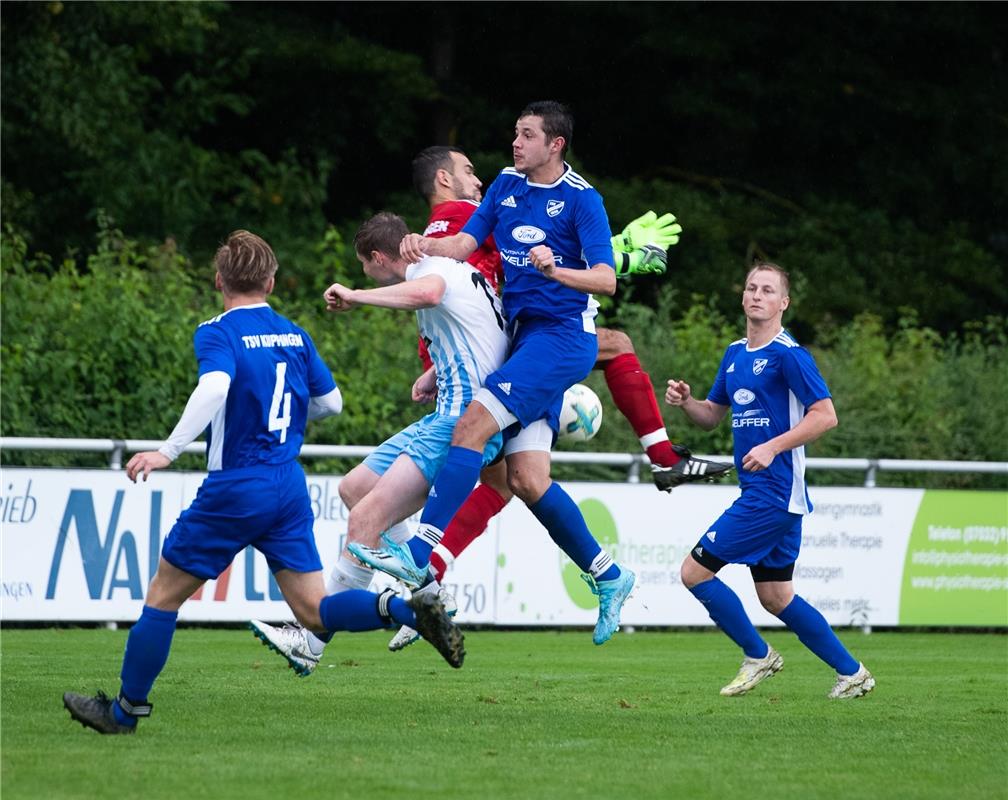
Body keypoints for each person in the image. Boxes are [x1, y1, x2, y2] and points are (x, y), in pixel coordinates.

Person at [62, 231, 464, 735]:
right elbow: (331, 403)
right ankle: (402, 610)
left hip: (235, 487)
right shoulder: (294, 333)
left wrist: (167, 450)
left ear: (218, 281)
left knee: (163, 596)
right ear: (271, 281)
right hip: (287, 488)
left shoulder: (218, 332)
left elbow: (215, 385)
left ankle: (124, 712)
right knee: (315, 612)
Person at [356, 101, 641, 646]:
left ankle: (420, 556)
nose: (515, 144)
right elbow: (464, 246)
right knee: (527, 481)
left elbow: (605, 280)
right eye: (515, 133)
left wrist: (557, 271)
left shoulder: (583, 200)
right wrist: (424, 244)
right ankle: (610, 575)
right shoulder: (506, 187)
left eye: (527, 135)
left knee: (471, 427)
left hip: (559, 341)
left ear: (554, 145)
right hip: (522, 341)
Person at [248, 211, 508, 675]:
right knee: (354, 489)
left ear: (377, 257)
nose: (362, 275)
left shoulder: (430, 271)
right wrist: (435, 371)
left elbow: (426, 293)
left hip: (460, 425)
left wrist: (356, 295)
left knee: (365, 520)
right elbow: (488, 332)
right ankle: (430, 594)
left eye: (363, 267)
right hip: (444, 415)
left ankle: (309, 639)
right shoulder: (456, 269)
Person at [664, 261, 875, 699]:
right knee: (777, 597)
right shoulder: (735, 353)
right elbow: (712, 416)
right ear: (743, 297)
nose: (757, 295)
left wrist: (774, 446)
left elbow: (826, 416)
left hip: (774, 494)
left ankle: (758, 655)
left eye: (767, 290)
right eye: (751, 288)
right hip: (766, 494)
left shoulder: (789, 355)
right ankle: (852, 673)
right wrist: (687, 404)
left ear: (784, 303)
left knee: (693, 572)